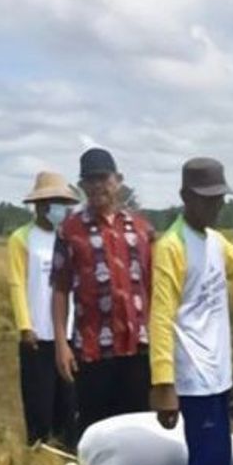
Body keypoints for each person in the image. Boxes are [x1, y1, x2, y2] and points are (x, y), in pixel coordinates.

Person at [149, 157, 233, 465]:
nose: (215, 207)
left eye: (219, 199)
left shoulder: (215, 240)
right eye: (207, 199)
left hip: (218, 374)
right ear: (185, 197)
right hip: (192, 377)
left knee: (219, 463)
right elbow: (159, 317)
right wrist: (163, 385)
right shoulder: (172, 246)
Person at [51, 147, 154, 437]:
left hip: (137, 347)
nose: (97, 186)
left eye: (103, 179)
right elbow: (60, 290)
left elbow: (153, 288)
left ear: (118, 181)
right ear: (82, 186)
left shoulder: (141, 229)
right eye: (89, 180)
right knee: (98, 432)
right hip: (93, 348)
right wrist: (61, 344)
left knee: (138, 429)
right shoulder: (69, 231)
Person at [8, 171, 79, 447]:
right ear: (39, 206)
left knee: (70, 405)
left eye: (63, 202)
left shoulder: (70, 238)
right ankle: (39, 461)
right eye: (53, 202)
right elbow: (17, 283)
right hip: (37, 337)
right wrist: (25, 327)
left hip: (70, 335)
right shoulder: (22, 238)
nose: (60, 208)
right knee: (40, 405)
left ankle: (69, 458)